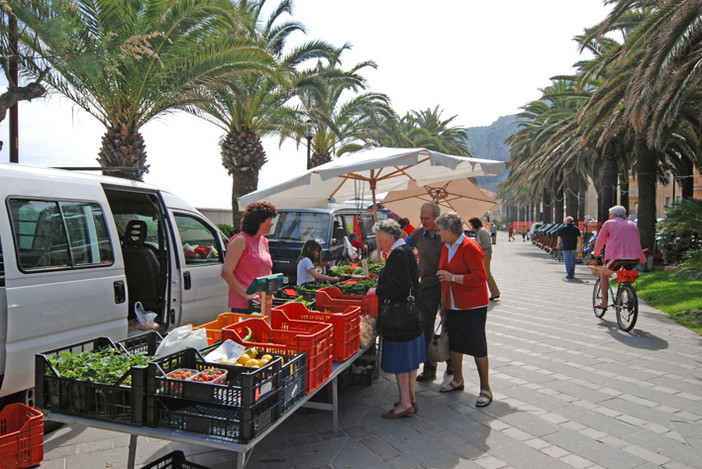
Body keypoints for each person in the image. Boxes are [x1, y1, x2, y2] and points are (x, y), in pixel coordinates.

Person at [367, 219, 424, 419]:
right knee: (410, 363)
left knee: (402, 362)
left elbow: (399, 286)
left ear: (391, 237)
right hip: (410, 317)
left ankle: (405, 404)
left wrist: (377, 290)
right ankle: (410, 399)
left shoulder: (398, 254)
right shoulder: (405, 250)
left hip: (399, 318)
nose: (379, 244)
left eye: (380, 240)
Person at [435, 212, 492, 407]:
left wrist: (453, 278)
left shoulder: (470, 247)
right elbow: (443, 276)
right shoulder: (446, 247)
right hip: (452, 304)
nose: (438, 234)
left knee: (477, 346)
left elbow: (479, 277)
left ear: (449, 230)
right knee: (455, 343)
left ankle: (485, 389)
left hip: (472, 305)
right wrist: (443, 305)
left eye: (440, 230)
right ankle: (457, 379)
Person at [405, 202, 444, 382]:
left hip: (447, 285)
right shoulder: (418, 234)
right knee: (426, 325)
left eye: (426, 218)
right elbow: (404, 247)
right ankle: (429, 368)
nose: (422, 221)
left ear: (436, 218)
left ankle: (451, 363)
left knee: (449, 324)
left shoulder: (446, 233)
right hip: (427, 284)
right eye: (421, 218)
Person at [222, 202, 277, 314]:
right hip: (243, 305)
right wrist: (247, 294)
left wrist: (270, 292)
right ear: (260, 221)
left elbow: (267, 271)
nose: (272, 224)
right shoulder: (240, 240)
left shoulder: (264, 241)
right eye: (269, 220)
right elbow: (226, 273)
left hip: (262, 304)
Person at [593, 206, 646, 309]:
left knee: (604, 275)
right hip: (634, 257)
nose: (609, 217)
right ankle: (630, 297)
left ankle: (604, 303)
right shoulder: (632, 224)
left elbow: (600, 241)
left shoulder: (609, 223)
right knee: (626, 276)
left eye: (610, 215)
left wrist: (596, 252)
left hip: (617, 257)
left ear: (614, 215)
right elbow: (637, 240)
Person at [468, 217, 501, 301]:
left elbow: (486, 244)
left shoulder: (482, 232)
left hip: (486, 254)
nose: (471, 226)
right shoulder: (479, 231)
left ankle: (495, 292)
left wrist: (476, 246)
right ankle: (494, 292)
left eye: (471, 224)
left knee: (487, 273)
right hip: (484, 254)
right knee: (485, 273)